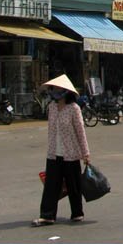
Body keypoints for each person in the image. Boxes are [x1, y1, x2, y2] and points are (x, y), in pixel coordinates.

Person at [32, 74, 90, 227]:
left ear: (66, 91)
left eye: (59, 89)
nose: (56, 91)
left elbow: (80, 131)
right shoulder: (51, 108)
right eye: (54, 88)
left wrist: (86, 153)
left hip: (70, 153)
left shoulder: (74, 109)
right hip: (53, 153)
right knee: (51, 185)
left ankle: (77, 213)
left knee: (74, 185)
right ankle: (47, 215)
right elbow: (51, 131)